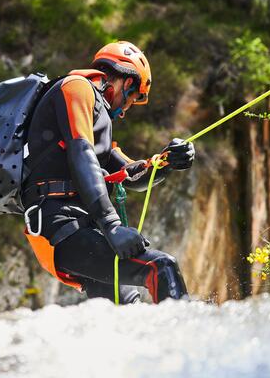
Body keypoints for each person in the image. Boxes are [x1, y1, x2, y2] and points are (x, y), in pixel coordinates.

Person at [22, 41, 195, 304]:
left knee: (128, 310)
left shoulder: (97, 119)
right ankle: (185, 343)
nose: (125, 111)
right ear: (127, 83)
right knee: (161, 267)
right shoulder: (76, 88)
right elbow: (81, 153)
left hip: (77, 229)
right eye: (134, 99)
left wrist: (167, 162)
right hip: (61, 227)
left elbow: (132, 174)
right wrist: (113, 226)